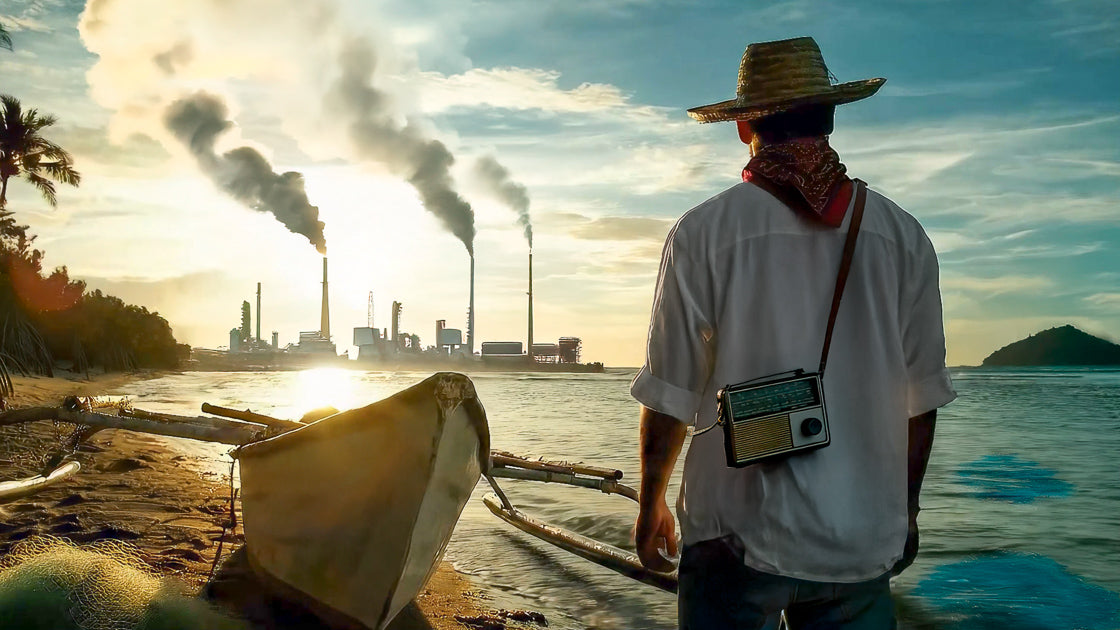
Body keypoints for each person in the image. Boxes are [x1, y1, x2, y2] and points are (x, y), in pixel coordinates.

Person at [631, 36, 956, 629]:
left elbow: (671, 392)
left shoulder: (704, 232)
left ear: (742, 125)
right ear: (831, 116)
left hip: (735, 532)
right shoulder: (903, 236)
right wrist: (903, 512)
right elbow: (922, 399)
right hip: (858, 539)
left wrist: (651, 502)